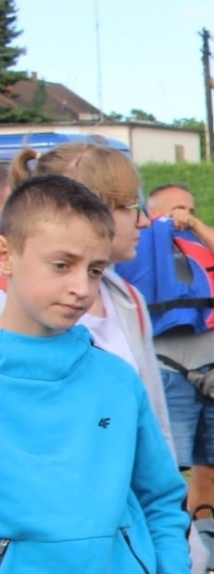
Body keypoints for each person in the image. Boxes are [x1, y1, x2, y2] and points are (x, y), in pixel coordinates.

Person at [0, 175, 195, 574]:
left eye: (95, 269)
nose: (81, 287)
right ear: (6, 256)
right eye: (61, 265)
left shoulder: (115, 378)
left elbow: (160, 498)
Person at [3, 143, 173, 453]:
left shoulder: (127, 299)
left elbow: (151, 423)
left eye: (93, 272)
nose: (144, 221)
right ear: (87, 206)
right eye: (130, 206)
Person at [120, 183, 214, 512]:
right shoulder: (140, 247)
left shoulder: (200, 242)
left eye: (190, 210)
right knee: (170, 469)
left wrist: (196, 226)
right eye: (176, 209)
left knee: (212, 464)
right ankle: (175, 540)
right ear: (152, 213)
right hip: (170, 373)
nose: (184, 215)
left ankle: (205, 529)